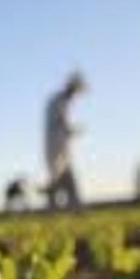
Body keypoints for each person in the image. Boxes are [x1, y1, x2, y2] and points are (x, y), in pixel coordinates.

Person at [44, 71, 86, 210]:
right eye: (76, 90)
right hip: (56, 149)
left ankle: (70, 208)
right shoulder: (58, 101)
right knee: (61, 181)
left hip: (61, 149)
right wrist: (73, 131)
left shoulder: (61, 101)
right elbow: (59, 123)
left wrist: (70, 132)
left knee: (63, 181)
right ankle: (67, 208)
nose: (76, 95)